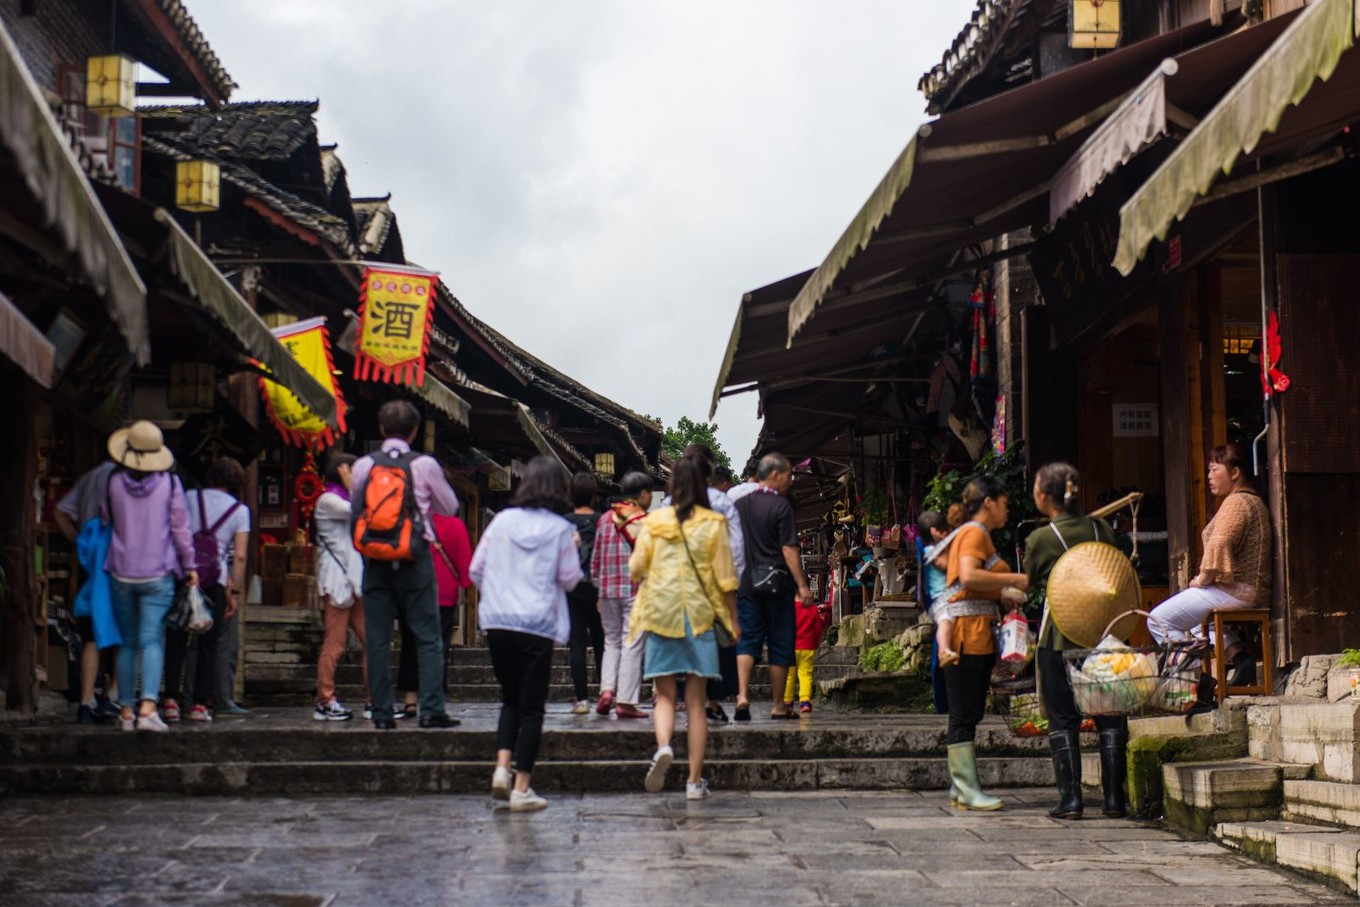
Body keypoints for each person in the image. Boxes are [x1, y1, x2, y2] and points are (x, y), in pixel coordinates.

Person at [470, 456, 582, 812]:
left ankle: (502, 766)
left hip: (499, 620)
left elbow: (476, 569)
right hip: (536, 624)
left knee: (510, 699)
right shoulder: (561, 530)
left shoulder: (501, 522)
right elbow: (570, 579)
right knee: (532, 707)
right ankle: (521, 787)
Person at [629, 458, 740, 800]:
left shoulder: (655, 521)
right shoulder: (714, 522)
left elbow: (636, 568)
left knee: (664, 695)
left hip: (661, 612)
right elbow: (725, 579)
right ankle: (694, 782)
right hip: (700, 614)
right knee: (696, 701)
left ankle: (663, 746)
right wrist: (734, 619)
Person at [1023, 463, 1126, 819]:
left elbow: (1031, 581)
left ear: (1043, 496)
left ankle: (1070, 800)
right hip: (1103, 633)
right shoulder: (1101, 529)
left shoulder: (1042, 539)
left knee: (1062, 716)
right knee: (1110, 712)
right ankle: (1115, 800)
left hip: (1060, 635)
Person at [351, 400, 461, 729]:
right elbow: (450, 506)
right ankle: (431, 710)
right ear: (413, 431)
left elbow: (357, 507)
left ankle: (382, 713)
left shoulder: (363, 465)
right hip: (414, 557)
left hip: (375, 559)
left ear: (382, 430)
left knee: (378, 637)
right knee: (427, 635)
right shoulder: (424, 465)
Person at [1149, 442, 1271, 694]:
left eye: (1214, 469)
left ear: (1235, 472)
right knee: (1196, 623)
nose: (1208, 476)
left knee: (1158, 620)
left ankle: (1196, 679)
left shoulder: (1237, 502)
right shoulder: (1251, 500)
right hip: (1249, 590)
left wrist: (1203, 578)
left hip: (1236, 591)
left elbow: (1221, 540)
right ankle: (1240, 659)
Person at [937, 476, 1029, 810]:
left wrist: (1002, 593)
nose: (1007, 510)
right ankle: (966, 786)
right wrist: (1014, 579)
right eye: (1004, 503)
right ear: (988, 502)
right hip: (967, 633)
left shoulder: (974, 534)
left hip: (976, 630)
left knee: (968, 710)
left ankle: (960, 786)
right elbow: (970, 577)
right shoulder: (974, 533)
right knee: (964, 712)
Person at [102, 421, 199, 732]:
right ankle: (148, 708)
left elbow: (106, 518)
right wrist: (190, 565)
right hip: (157, 572)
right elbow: (180, 531)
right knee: (152, 639)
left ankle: (127, 712)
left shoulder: (113, 482)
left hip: (121, 569)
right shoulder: (170, 485)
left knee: (128, 642)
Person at [167, 458, 249, 723]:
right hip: (216, 579)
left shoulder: (190, 497)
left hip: (184, 573)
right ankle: (200, 704)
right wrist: (233, 592)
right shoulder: (239, 511)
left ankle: (170, 700)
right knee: (208, 643)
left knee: (176, 638)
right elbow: (240, 557)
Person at [732, 453, 812, 721]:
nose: (791, 480)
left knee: (747, 640)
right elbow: (788, 548)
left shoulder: (740, 505)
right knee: (779, 643)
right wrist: (802, 585)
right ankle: (778, 705)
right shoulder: (781, 506)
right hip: (778, 585)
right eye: (789, 475)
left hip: (746, 584)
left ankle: (742, 696)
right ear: (775, 475)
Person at [53, 459, 121, 725]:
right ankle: (113, 696)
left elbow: (59, 512)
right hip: (118, 563)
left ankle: (86, 700)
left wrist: (78, 540)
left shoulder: (90, 476)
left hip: (89, 563)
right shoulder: (129, 480)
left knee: (90, 636)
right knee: (121, 633)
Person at [398, 489, 474, 718]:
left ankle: (410, 701)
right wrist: (462, 582)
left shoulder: (409, 523)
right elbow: (467, 570)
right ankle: (434, 700)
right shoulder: (455, 526)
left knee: (410, 646)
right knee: (438, 648)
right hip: (443, 595)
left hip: (411, 593)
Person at [591, 471, 653, 720]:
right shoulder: (644, 521)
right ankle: (626, 701)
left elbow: (595, 558)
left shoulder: (605, 518)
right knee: (632, 642)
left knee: (611, 641)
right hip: (635, 590)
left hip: (606, 589)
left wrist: (598, 588)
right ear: (644, 494)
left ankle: (606, 689)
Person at [314, 453, 366, 721]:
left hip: (353, 579)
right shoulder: (328, 500)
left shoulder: (342, 497)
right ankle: (325, 699)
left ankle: (374, 699)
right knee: (335, 644)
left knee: (371, 640)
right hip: (336, 581)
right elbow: (359, 510)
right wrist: (352, 486)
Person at [565, 472, 604, 714]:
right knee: (602, 643)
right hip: (599, 590)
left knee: (576, 644)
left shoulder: (565, 522)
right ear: (593, 495)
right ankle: (604, 693)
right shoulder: (603, 521)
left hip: (573, 589)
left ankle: (581, 699)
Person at [782, 599, 829, 714]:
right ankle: (805, 702)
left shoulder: (787, 606)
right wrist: (815, 642)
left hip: (790, 646)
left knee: (789, 676)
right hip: (807, 646)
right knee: (805, 674)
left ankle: (788, 702)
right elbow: (818, 627)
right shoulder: (811, 607)